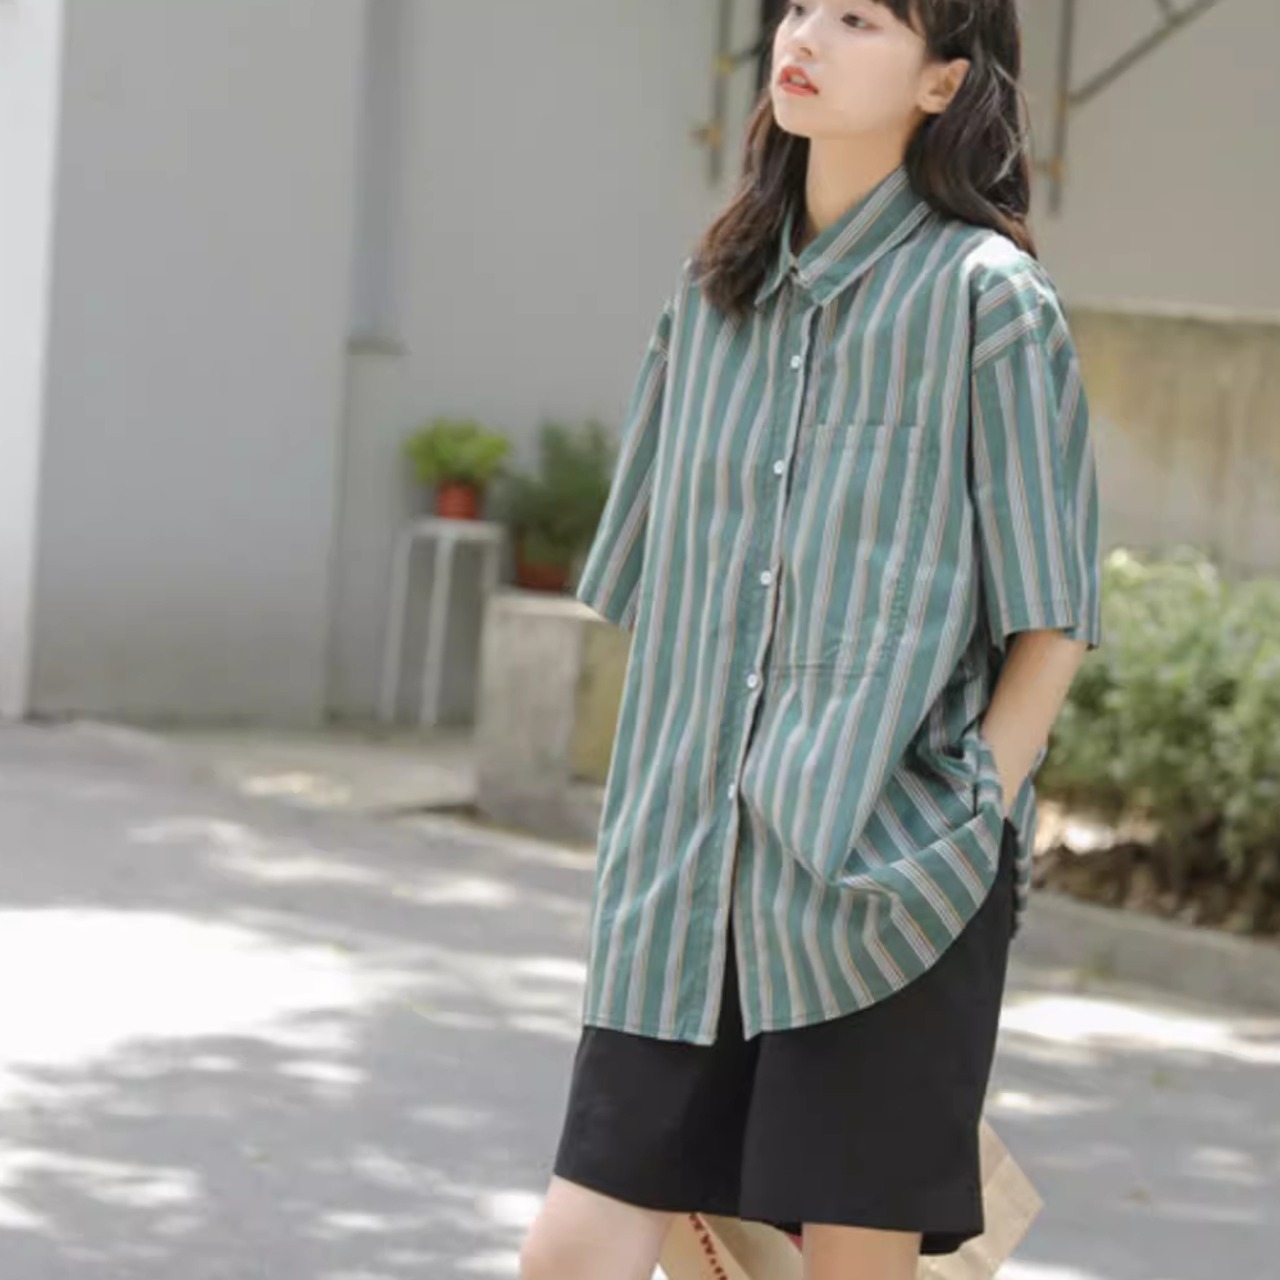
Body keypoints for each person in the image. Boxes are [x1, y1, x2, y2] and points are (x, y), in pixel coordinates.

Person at [521, 2, 1102, 1277]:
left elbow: (1052, 613)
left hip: (882, 877)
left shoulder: (985, 300)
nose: (804, 37)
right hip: (684, 881)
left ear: (942, 81)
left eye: (856, 18)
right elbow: (652, 588)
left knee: (850, 1263)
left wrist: (968, 816)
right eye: (797, 7)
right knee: (572, 1249)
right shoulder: (709, 297)